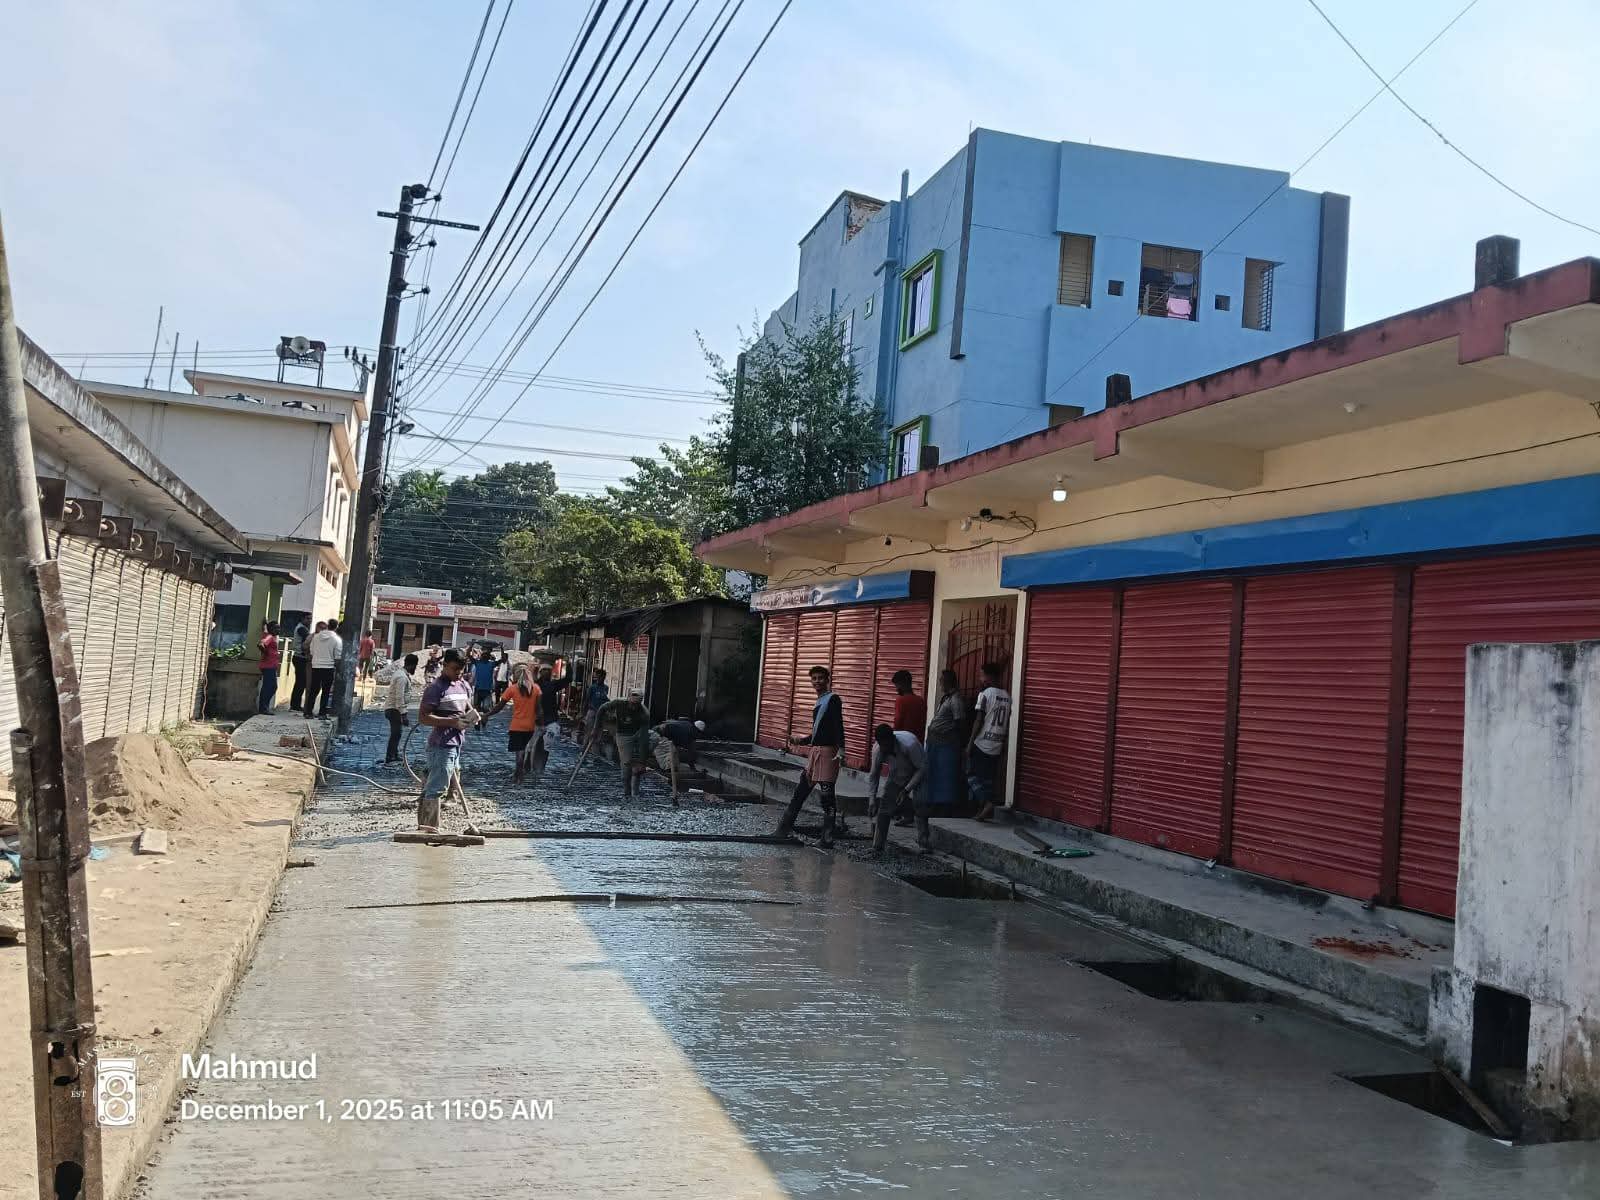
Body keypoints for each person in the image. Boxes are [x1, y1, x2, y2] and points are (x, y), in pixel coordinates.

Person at [776, 666, 845, 847]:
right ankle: (783, 829)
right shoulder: (820, 701)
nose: (817, 681)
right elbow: (818, 732)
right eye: (814, 678)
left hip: (828, 753)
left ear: (827, 679)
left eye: (820, 678)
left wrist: (842, 749)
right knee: (800, 791)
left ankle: (827, 838)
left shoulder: (833, 699)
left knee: (827, 797)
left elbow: (838, 725)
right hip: (816, 752)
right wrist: (801, 740)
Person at [416, 648, 478, 831]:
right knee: (436, 786)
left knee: (443, 780)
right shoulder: (435, 689)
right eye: (454, 669)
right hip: (441, 745)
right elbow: (423, 718)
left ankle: (427, 826)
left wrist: (472, 716)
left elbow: (465, 707)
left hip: (456, 743)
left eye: (461, 669)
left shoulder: (462, 685)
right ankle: (428, 828)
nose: (458, 673)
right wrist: (451, 722)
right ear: (444, 665)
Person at [868, 723, 928, 854]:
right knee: (884, 807)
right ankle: (878, 846)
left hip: (918, 771)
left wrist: (906, 790)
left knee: (920, 804)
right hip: (897, 774)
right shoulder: (877, 750)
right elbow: (874, 775)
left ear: (893, 739)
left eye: (887, 745)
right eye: (882, 746)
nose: (885, 748)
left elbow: (922, 768)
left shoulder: (910, 744)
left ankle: (924, 844)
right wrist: (872, 799)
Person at [966, 661, 1012, 822]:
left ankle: (987, 802)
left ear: (989, 676)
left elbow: (979, 720)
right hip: (997, 744)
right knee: (987, 779)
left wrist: (970, 743)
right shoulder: (1007, 696)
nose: (980, 679)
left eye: (982, 675)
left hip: (982, 743)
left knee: (971, 775)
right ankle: (982, 811)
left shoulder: (985, 694)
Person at [923, 669, 968, 812]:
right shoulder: (946, 698)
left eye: (942, 680)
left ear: (948, 682)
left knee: (945, 774)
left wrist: (961, 743)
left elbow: (960, 723)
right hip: (935, 742)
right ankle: (933, 801)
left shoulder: (956, 700)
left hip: (946, 744)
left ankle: (944, 804)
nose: (940, 683)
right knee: (933, 772)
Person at [490, 663, 543, 784]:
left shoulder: (512, 689)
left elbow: (499, 706)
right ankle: (518, 773)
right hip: (530, 727)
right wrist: (542, 724)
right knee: (523, 748)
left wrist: (487, 715)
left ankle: (519, 773)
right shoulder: (536, 688)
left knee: (519, 751)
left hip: (516, 726)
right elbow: (539, 710)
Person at [596, 689, 652, 798]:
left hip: (638, 732)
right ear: (628, 700)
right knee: (626, 765)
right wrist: (595, 728)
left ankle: (636, 784)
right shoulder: (619, 703)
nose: (634, 707)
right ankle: (627, 792)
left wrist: (642, 761)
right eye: (632, 704)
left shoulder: (644, 714)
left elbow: (644, 738)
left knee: (654, 739)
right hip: (623, 735)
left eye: (636, 705)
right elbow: (602, 709)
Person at [650, 718, 704, 801]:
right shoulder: (686, 733)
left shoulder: (688, 726)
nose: (698, 735)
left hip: (665, 734)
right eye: (698, 733)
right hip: (659, 734)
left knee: (673, 756)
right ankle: (666, 772)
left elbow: (689, 750)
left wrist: (692, 767)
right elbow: (686, 750)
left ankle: (670, 772)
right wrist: (692, 766)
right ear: (695, 729)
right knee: (667, 755)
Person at [383, 653, 419, 766]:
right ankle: (390, 757)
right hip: (394, 709)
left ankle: (394, 754)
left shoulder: (401, 674)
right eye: (415, 666)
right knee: (396, 733)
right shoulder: (402, 677)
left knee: (397, 733)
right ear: (412, 665)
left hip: (394, 709)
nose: (415, 669)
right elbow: (399, 697)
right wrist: (403, 714)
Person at [303, 620, 342, 719]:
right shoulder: (337, 640)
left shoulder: (316, 637)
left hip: (316, 666)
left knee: (313, 690)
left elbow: (311, 651)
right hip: (328, 667)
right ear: (336, 627)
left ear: (328, 625)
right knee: (326, 692)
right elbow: (337, 657)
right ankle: (322, 713)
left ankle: (308, 712)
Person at [581, 668, 610, 755]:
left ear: (604, 677)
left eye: (602, 677)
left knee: (598, 734)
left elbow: (605, 699)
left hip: (601, 714)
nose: (600, 678)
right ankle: (583, 752)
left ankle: (595, 754)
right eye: (598, 676)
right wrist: (583, 713)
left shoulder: (606, 688)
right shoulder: (592, 687)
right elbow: (587, 700)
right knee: (589, 733)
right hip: (592, 712)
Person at [890, 669, 927, 737]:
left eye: (897, 685)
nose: (896, 689)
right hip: (917, 740)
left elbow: (897, 723)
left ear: (903, 684)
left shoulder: (901, 700)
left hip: (903, 740)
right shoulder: (921, 701)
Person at [256, 621, 281, 715]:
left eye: (279, 628)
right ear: (271, 629)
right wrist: (265, 652)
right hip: (268, 666)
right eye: (276, 628)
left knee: (269, 686)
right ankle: (263, 708)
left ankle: (264, 707)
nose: (278, 630)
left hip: (271, 665)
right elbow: (260, 644)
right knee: (270, 686)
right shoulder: (270, 637)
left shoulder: (271, 636)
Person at [288, 620, 310, 712]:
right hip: (300, 658)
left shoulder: (303, 628)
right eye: (308, 618)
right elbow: (308, 638)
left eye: (310, 618)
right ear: (303, 618)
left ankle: (296, 704)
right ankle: (295, 705)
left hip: (300, 658)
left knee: (301, 682)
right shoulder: (301, 628)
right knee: (300, 682)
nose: (310, 621)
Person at [470, 649, 496, 715]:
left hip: (487, 690)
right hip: (478, 689)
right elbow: (468, 655)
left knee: (486, 709)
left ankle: (484, 720)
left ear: (488, 657)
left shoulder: (491, 664)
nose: (484, 657)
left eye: (486, 656)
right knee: (477, 708)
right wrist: (471, 646)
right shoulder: (477, 663)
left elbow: (503, 659)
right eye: (483, 655)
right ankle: (478, 720)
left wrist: (501, 648)